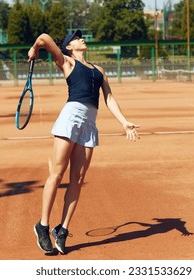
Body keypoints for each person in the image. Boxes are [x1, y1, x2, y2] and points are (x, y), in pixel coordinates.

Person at [28, 29, 140, 255]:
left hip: (89, 124)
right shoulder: (67, 62)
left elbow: (108, 98)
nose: (82, 39)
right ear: (69, 47)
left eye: (81, 37)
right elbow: (43, 37)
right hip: (70, 118)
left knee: (77, 179)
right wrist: (35, 47)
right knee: (57, 174)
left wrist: (124, 122)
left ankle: (62, 229)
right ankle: (42, 225)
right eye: (76, 38)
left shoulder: (99, 70)